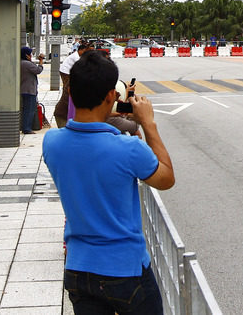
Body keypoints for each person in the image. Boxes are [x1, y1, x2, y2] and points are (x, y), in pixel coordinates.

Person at [43, 51, 174, 314]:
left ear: (71, 91)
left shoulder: (52, 142)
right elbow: (166, 178)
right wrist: (148, 125)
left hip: (79, 269)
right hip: (125, 270)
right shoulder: (127, 149)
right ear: (110, 96)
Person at [55, 40, 94, 127]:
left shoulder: (79, 57)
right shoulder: (76, 57)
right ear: (81, 50)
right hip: (66, 72)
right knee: (67, 87)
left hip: (69, 72)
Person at [20, 46, 45, 135]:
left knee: (26, 109)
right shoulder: (26, 64)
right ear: (26, 55)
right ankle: (27, 128)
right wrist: (41, 62)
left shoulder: (22, 63)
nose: (31, 55)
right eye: (30, 54)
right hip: (29, 90)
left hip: (24, 89)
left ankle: (25, 127)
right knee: (29, 109)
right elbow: (38, 70)